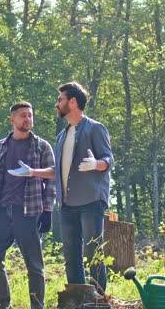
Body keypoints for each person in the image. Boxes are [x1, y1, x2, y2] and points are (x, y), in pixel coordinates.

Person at [9, 82, 113, 292]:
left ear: (72, 102)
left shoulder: (95, 128)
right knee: (71, 255)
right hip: (66, 205)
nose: (57, 104)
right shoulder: (62, 136)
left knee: (93, 252)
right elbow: (58, 172)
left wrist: (96, 165)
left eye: (60, 100)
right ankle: (77, 301)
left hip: (91, 201)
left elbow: (108, 160)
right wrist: (33, 172)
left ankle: (99, 301)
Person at [0, 102, 56, 309]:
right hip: (2, 211)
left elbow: (53, 179)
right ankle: (4, 305)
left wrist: (48, 210)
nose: (27, 120)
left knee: (34, 263)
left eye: (30, 116)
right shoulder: (0, 147)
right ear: (12, 120)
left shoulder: (42, 147)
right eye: (23, 116)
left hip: (29, 211)